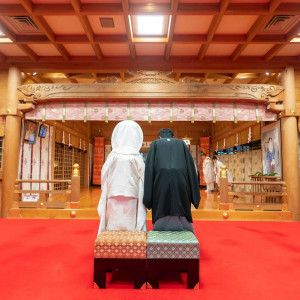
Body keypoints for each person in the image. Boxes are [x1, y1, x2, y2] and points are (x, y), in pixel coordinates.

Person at [143, 128, 200, 232]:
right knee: (181, 203)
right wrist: (195, 197)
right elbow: (191, 168)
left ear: (159, 137)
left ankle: (160, 230)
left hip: (160, 181)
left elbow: (149, 168)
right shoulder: (181, 143)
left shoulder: (155, 144)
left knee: (161, 203)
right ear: (173, 136)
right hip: (181, 181)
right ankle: (185, 230)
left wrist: (148, 199)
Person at [97, 120, 147, 235]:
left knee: (113, 223)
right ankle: (131, 245)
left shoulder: (113, 156)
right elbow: (143, 178)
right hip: (132, 195)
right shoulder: (136, 157)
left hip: (113, 195)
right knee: (130, 225)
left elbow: (104, 176)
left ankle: (112, 245)